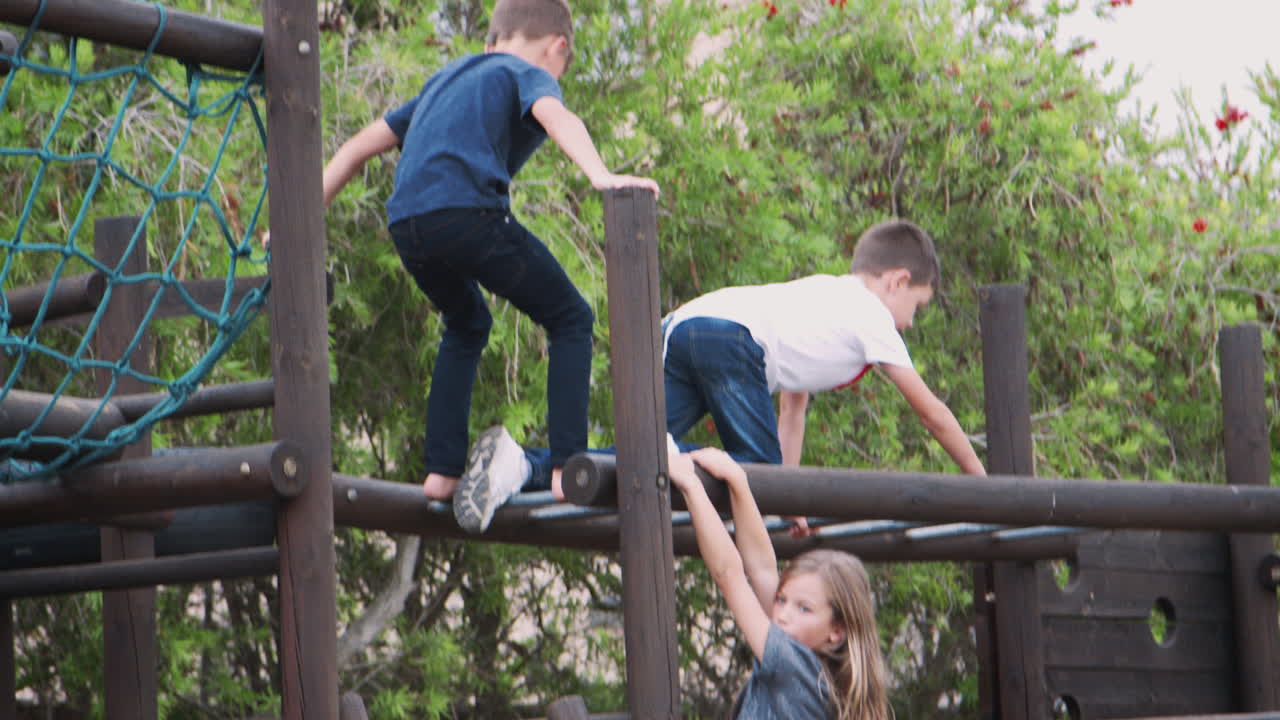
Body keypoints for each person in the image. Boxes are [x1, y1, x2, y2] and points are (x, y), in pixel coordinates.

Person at [314, 0, 659, 533]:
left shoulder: (445, 80)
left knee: (468, 322)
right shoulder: (525, 72)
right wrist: (601, 176)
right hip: (466, 214)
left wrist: (293, 222)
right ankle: (568, 468)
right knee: (570, 317)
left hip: (408, 226)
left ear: (490, 39)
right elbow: (554, 114)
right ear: (557, 48)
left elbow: (358, 147)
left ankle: (443, 472)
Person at [663, 219, 986, 534]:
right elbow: (932, 414)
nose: (912, 322)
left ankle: (660, 456)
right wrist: (982, 484)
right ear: (897, 282)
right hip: (727, 337)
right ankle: (679, 457)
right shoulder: (871, 315)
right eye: (917, 305)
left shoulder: (826, 299)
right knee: (757, 471)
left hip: (683, 326)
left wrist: (785, 500)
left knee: (643, 450)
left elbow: (792, 411)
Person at [667, 440, 890, 720]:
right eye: (782, 600)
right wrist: (738, 482)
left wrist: (690, 485)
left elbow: (729, 576)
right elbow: (761, 569)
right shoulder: (821, 675)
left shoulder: (793, 665)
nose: (782, 614)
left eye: (804, 608)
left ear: (836, 632)